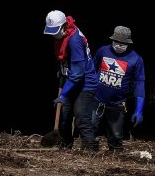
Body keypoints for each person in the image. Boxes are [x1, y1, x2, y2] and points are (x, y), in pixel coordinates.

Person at [44, 10, 99, 150]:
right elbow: (65, 60)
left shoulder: (74, 40)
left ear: (64, 26)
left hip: (85, 83)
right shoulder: (61, 37)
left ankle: (91, 148)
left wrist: (62, 95)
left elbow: (78, 73)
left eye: (55, 31)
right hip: (70, 81)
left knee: (81, 118)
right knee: (65, 117)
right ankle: (66, 146)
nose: (53, 35)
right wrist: (61, 71)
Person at [92, 26, 146, 151]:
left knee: (116, 137)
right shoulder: (103, 51)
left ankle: (115, 159)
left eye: (123, 43)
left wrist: (139, 110)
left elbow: (139, 84)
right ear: (112, 39)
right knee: (90, 130)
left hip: (117, 105)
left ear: (128, 43)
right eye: (117, 42)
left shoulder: (136, 59)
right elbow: (92, 71)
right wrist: (87, 92)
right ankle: (89, 154)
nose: (119, 45)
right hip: (96, 100)